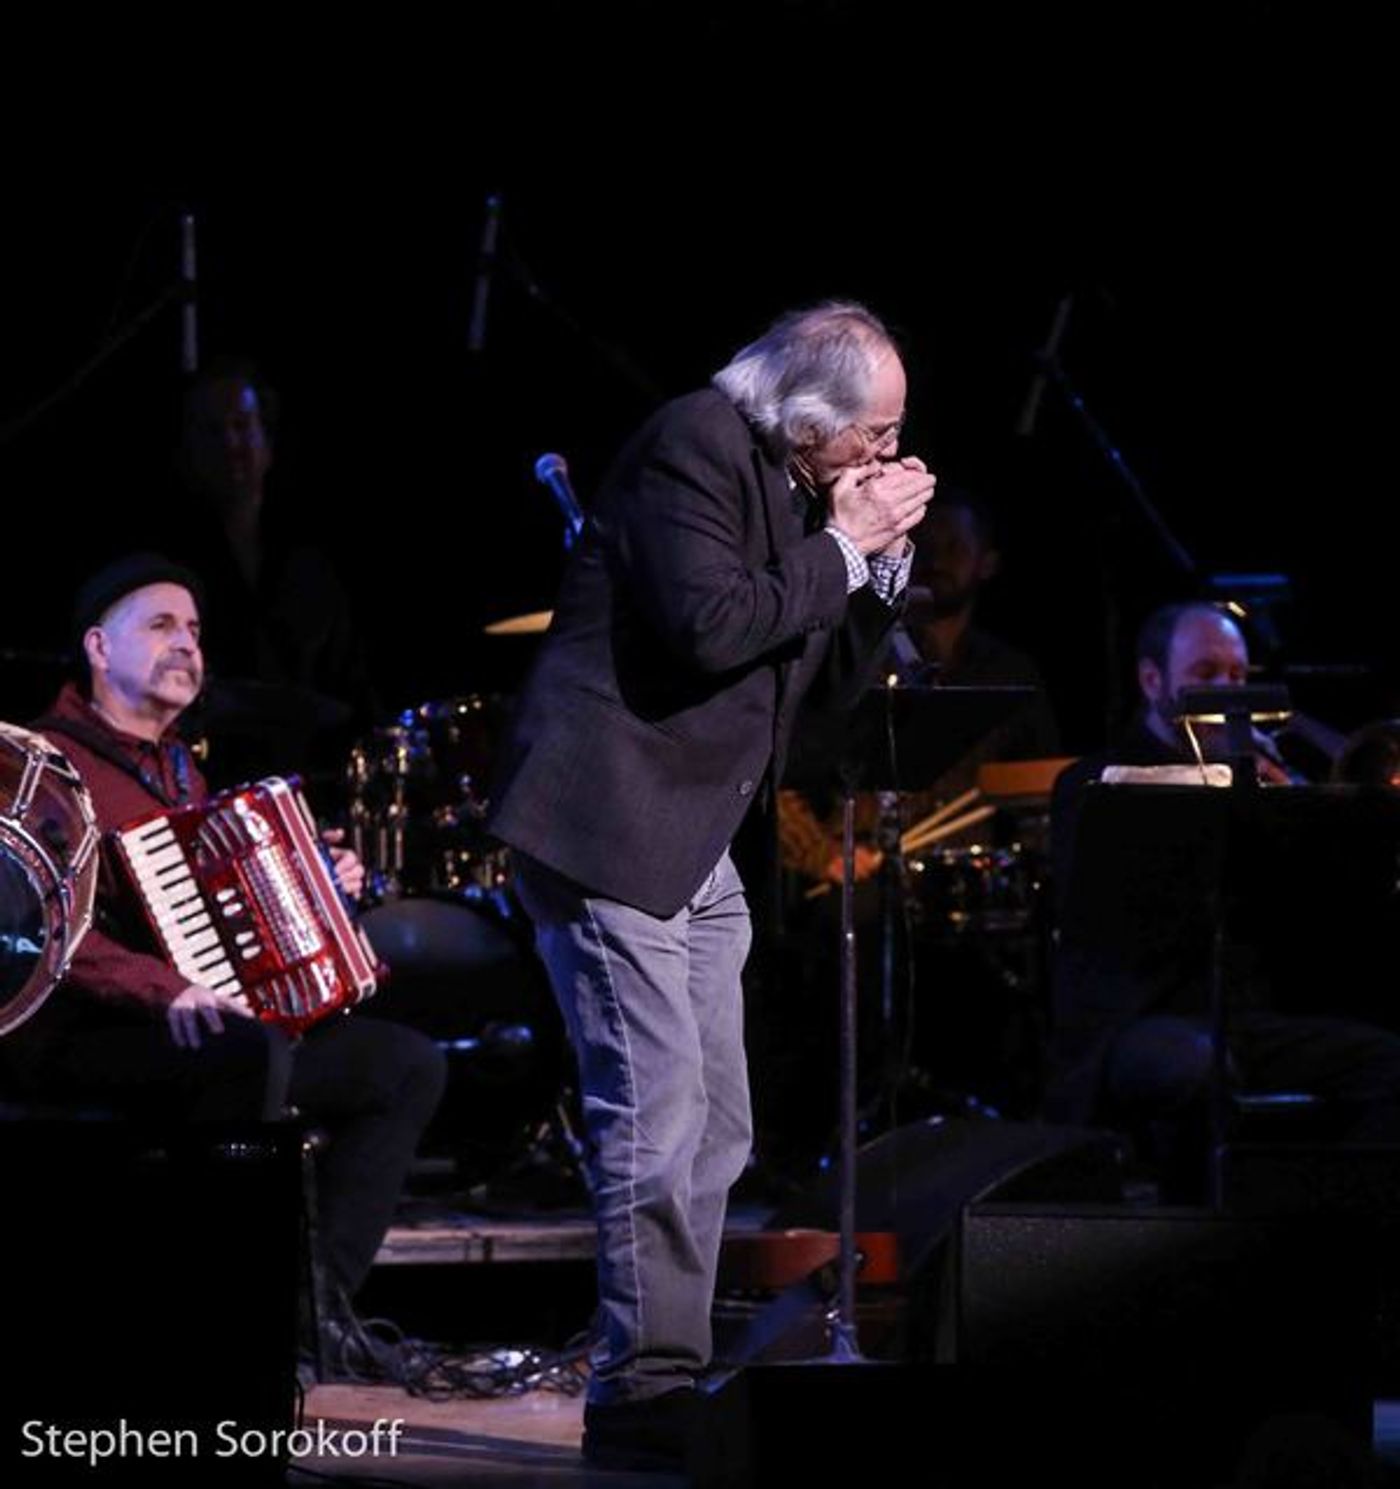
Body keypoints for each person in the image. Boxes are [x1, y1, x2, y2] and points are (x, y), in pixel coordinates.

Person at [487, 302, 935, 1469]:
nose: (883, 455)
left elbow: (811, 686)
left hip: (694, 839)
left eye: (891, 434)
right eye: (871, 433)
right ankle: (640, 1392)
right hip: (608, 824)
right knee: (654, 1113)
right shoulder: (689, 443)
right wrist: (841, 547)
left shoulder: (799, 491)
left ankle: (668, 1371)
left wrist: (877, 573)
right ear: (804, 413)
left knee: (719, 1123)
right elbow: (711, 624)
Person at [0, 553, 445, 1321]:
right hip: (79, 1035)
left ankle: (314, 1317)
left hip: (203, 1037)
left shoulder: (181, 773)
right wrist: (165, 989)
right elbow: (35, 929)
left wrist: (317, 883)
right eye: (162, 625)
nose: (188, 646)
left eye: (196, 632)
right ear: (98, 647)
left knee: (404, 1063)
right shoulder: (33, 764)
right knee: (250, 1055)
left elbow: (228, 920)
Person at [1045, 601, 1400, 1192]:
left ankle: (1337, 1236)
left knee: (1388, 1064)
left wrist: (1307, 816)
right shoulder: (1094, 782)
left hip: (1246, 1017)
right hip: (1136, 1021)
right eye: (1206, 675)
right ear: (1152, 679)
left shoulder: (1265, 774)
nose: (1228, 692)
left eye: (1237, 677)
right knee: (1197, 1069)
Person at [776, 485, 1059, 888]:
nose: (937, 558)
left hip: (965, 882)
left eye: (955, 546)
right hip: (860, 876)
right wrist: (821, 854)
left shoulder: (1010, 670)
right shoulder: (858, 654)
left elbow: (1039, 785)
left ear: (988, 563)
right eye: (925, 544)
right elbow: (776, 765)